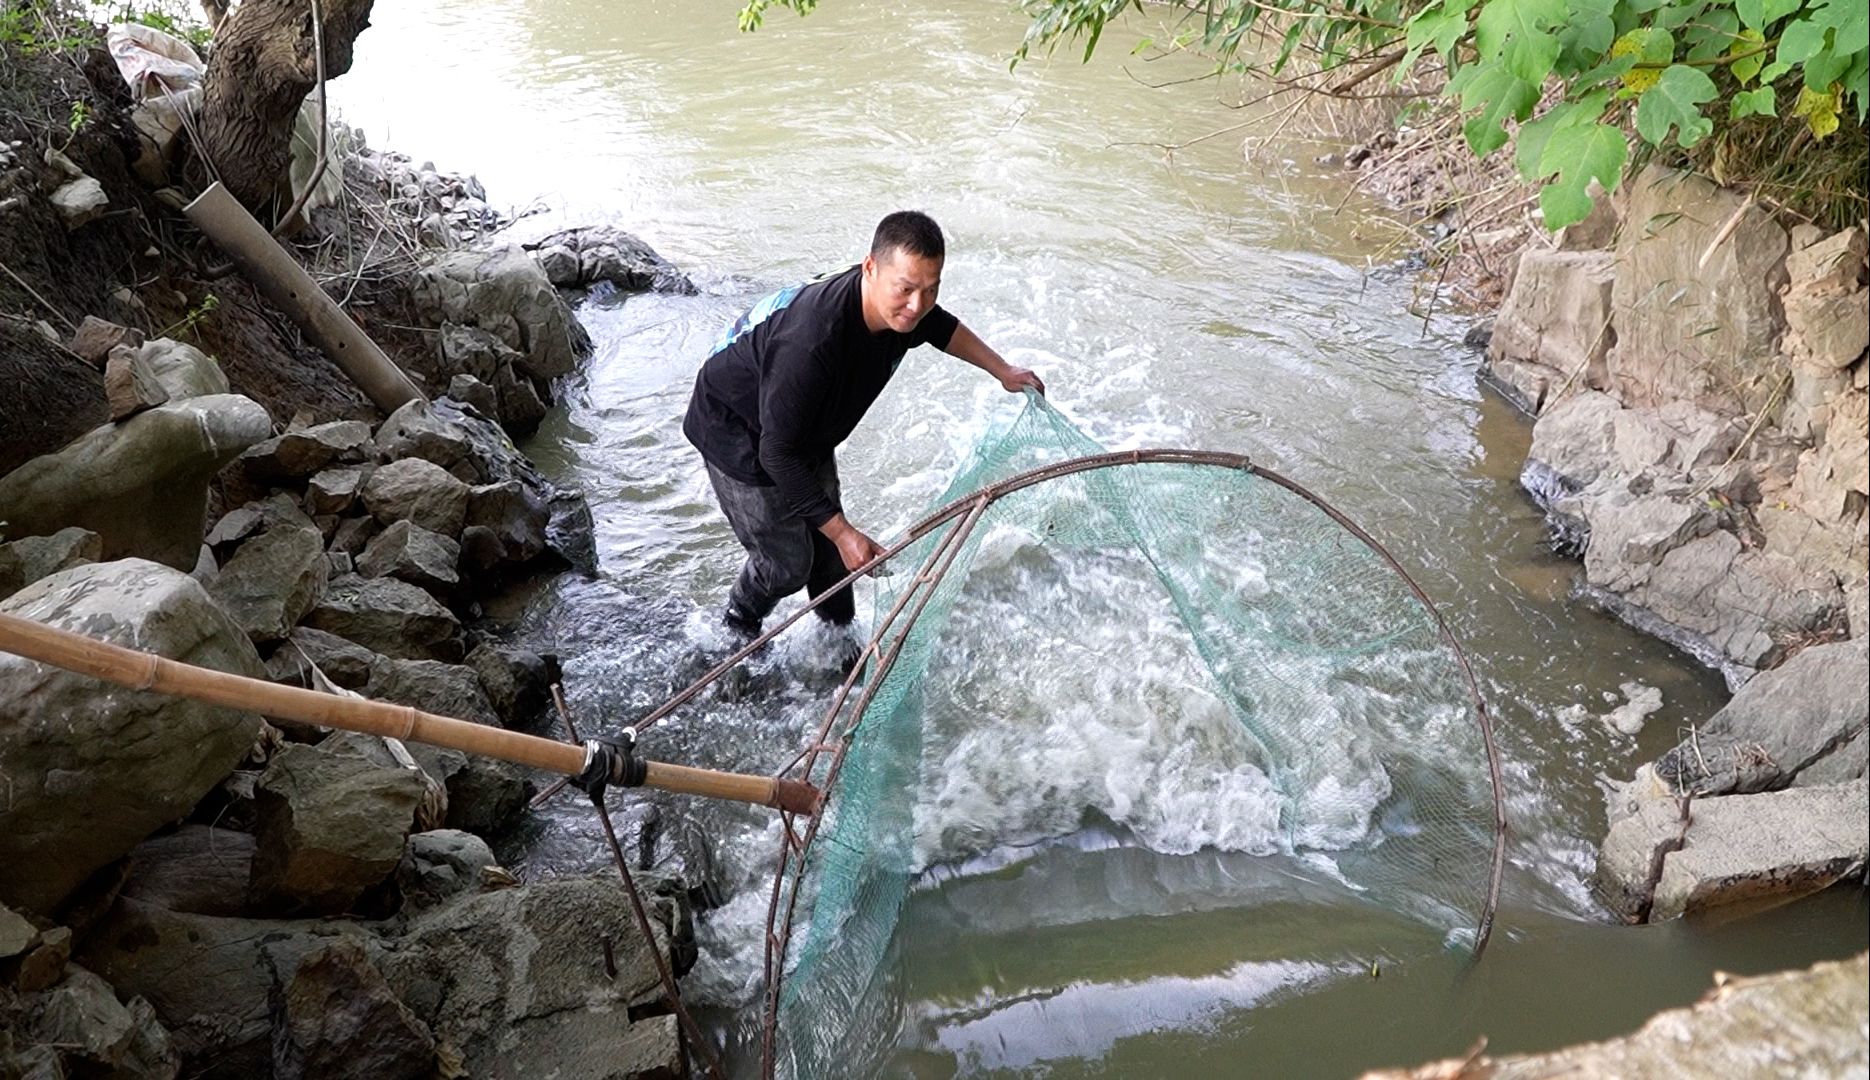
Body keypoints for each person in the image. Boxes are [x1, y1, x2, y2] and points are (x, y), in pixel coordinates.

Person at [683, 210, 1044, 646]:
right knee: (787, 562)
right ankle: (736, 629)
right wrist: (844, 532)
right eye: (906, 289)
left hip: (802, 425)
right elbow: (776, 452)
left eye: (930, 290)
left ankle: (839, 641)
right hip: (737, 428)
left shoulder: (905, 308)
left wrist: (1003, 370)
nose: (916, 305)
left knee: (832, 553)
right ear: (870, 268)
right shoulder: (813, 341)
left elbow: (939, 326)